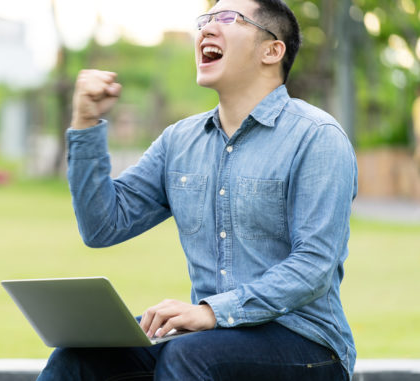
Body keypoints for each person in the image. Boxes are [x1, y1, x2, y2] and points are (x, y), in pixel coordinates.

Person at [38, 0, 357, 380]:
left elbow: (314, 265)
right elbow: (102, 226)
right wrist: (86, 122)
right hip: (210, 339)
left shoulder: (317, 138)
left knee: (188, 358)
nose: (206, 29)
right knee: (78, 358)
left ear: (272, 51)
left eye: (226, 19)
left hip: (307, 344)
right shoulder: (180, 140)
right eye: (203, 20)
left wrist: (211, 311)